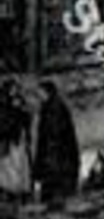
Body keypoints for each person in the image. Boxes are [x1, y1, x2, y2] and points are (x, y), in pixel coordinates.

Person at [32, 80, 79, 209]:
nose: (38, 96)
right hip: (52, 153)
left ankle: (57, 206)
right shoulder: (48, 107)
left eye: (40, 92)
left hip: (57, 154)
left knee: (56, 182)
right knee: (52, 183)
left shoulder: (56, 108)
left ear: (48, 92)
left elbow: (56, 133)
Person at [0, 79, 32, 205]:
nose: (15, 92)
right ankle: (10, 194)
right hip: (9, 142)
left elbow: (25, 120)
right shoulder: (3, 106)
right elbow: (4, 123)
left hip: (19, 141)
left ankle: (20, 193)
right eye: (13, 89)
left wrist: (21, 110)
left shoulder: (19, 104)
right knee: (8, 169)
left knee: (20, 168)